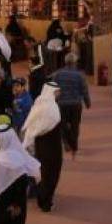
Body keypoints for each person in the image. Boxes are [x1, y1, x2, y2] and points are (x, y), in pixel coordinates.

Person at [23, 81, 63, 212]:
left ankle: (42, 199)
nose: (59, 93)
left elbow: (32, 126)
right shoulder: (52, 108)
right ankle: (46, 202)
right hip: (52, 147)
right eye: (57, 91)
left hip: (40, 146)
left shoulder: (38, 104)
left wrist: (28, 142)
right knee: (51, 174)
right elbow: (52, 124)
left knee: (43, 173)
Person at [50, 53, 90, 157]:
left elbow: (53, 88)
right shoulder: (79, 75)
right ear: (75, 63)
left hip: (62, 104)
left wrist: (52, 101)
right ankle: (74, 145)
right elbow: (84, 90)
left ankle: (66, 141)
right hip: (76, 104)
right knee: (75, 125)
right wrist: (87, 102)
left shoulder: (58, 74)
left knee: (63, 124)